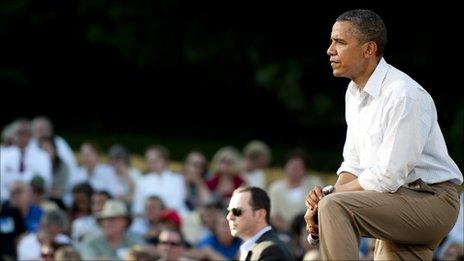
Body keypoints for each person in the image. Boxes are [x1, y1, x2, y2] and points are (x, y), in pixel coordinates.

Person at [304, 9, 463, 260]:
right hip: (396, 200)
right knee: (330, 204)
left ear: (369, 49)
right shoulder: (353, 93)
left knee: (335, 206)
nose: (330, 49)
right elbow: (353, 165)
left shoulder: (403, 94)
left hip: (432, 201)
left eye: (340, 42)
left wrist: (329, 198)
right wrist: (320, 203)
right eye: (332, 41)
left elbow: (388, 176)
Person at [227, 186, 292, 260]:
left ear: (260, 215)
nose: (229, 217)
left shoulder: (271, 250)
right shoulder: (251, 248)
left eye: (237, 211)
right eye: (229, 211)